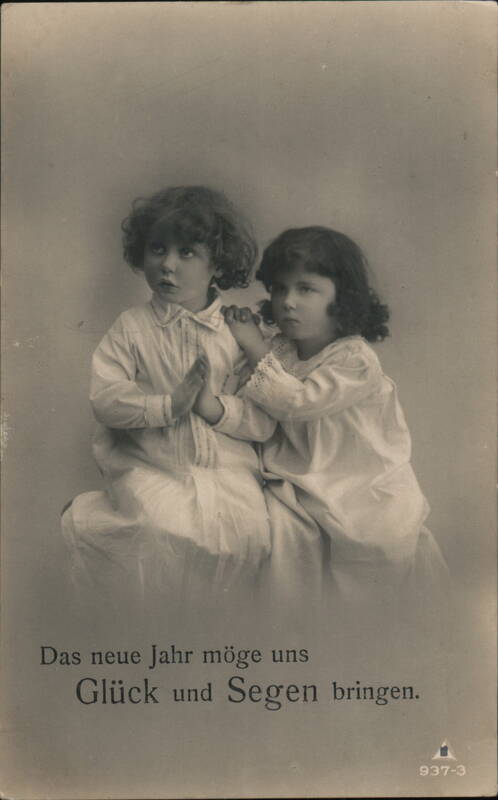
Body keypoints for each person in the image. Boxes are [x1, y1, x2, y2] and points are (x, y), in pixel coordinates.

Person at [195, 226, 449, 631]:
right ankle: (292, 636)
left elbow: (297, 403)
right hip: (292, 478)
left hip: (357, 483)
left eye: (306, 289)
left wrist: (252, 345)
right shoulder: (279, 350)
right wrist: (214, 408)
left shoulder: (354, 359)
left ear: (341, 297)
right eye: (279, 289)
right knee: (282, 542)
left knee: (372, 547)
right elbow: (258, 419)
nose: (288, 303)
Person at [61, 186, 271, 627]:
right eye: (157, 249)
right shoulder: (133, 327)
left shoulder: (238, 331)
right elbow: (106, 399)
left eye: (187, 252)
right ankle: (159, 637)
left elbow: (263, 415)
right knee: (161, 532)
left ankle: (216, 639)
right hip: (151, 465)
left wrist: (214, 408)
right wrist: (166, 405)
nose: (168, 264)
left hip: (226, 469)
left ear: (217, 264)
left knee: (247, 537)